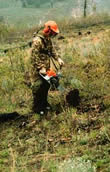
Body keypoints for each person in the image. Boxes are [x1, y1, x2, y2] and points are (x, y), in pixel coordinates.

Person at [30, 20, 64, 115]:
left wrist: (58, 59)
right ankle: (37, 108)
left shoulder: (47, 38)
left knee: (46, 85)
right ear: (48, 30)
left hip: (46, 65)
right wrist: (40, 68)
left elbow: (52, 49)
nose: (53, 35)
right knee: (38, 87)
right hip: (37, 68)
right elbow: (34, 56)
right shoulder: (37, 41)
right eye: (52, 33)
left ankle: (44, 104)